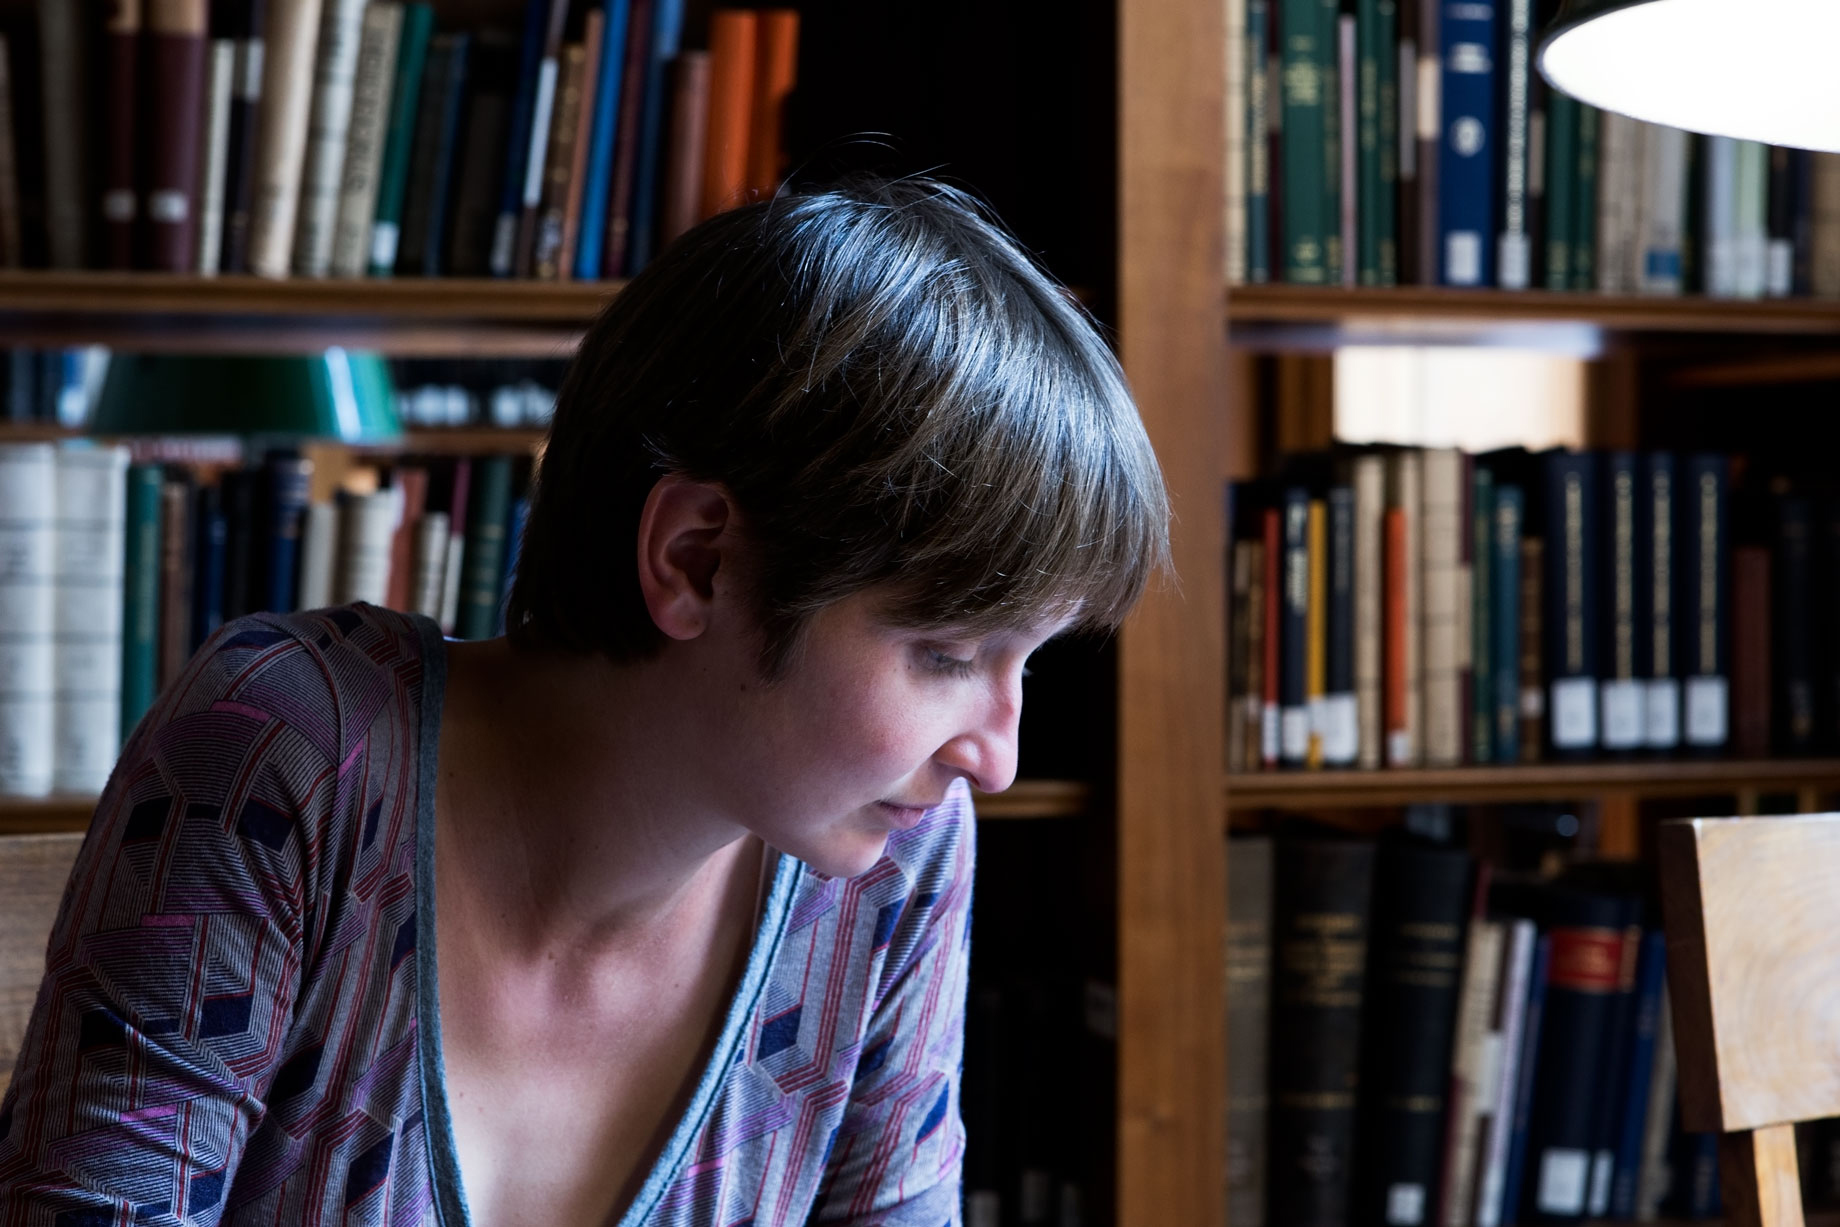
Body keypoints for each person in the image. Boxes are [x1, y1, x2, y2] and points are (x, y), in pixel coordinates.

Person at [0, 177, 1168, 1225]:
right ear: (698, 561)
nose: (996, 758)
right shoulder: (293, 750)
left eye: (1030, 661)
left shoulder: (891, 864)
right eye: (947, 653)